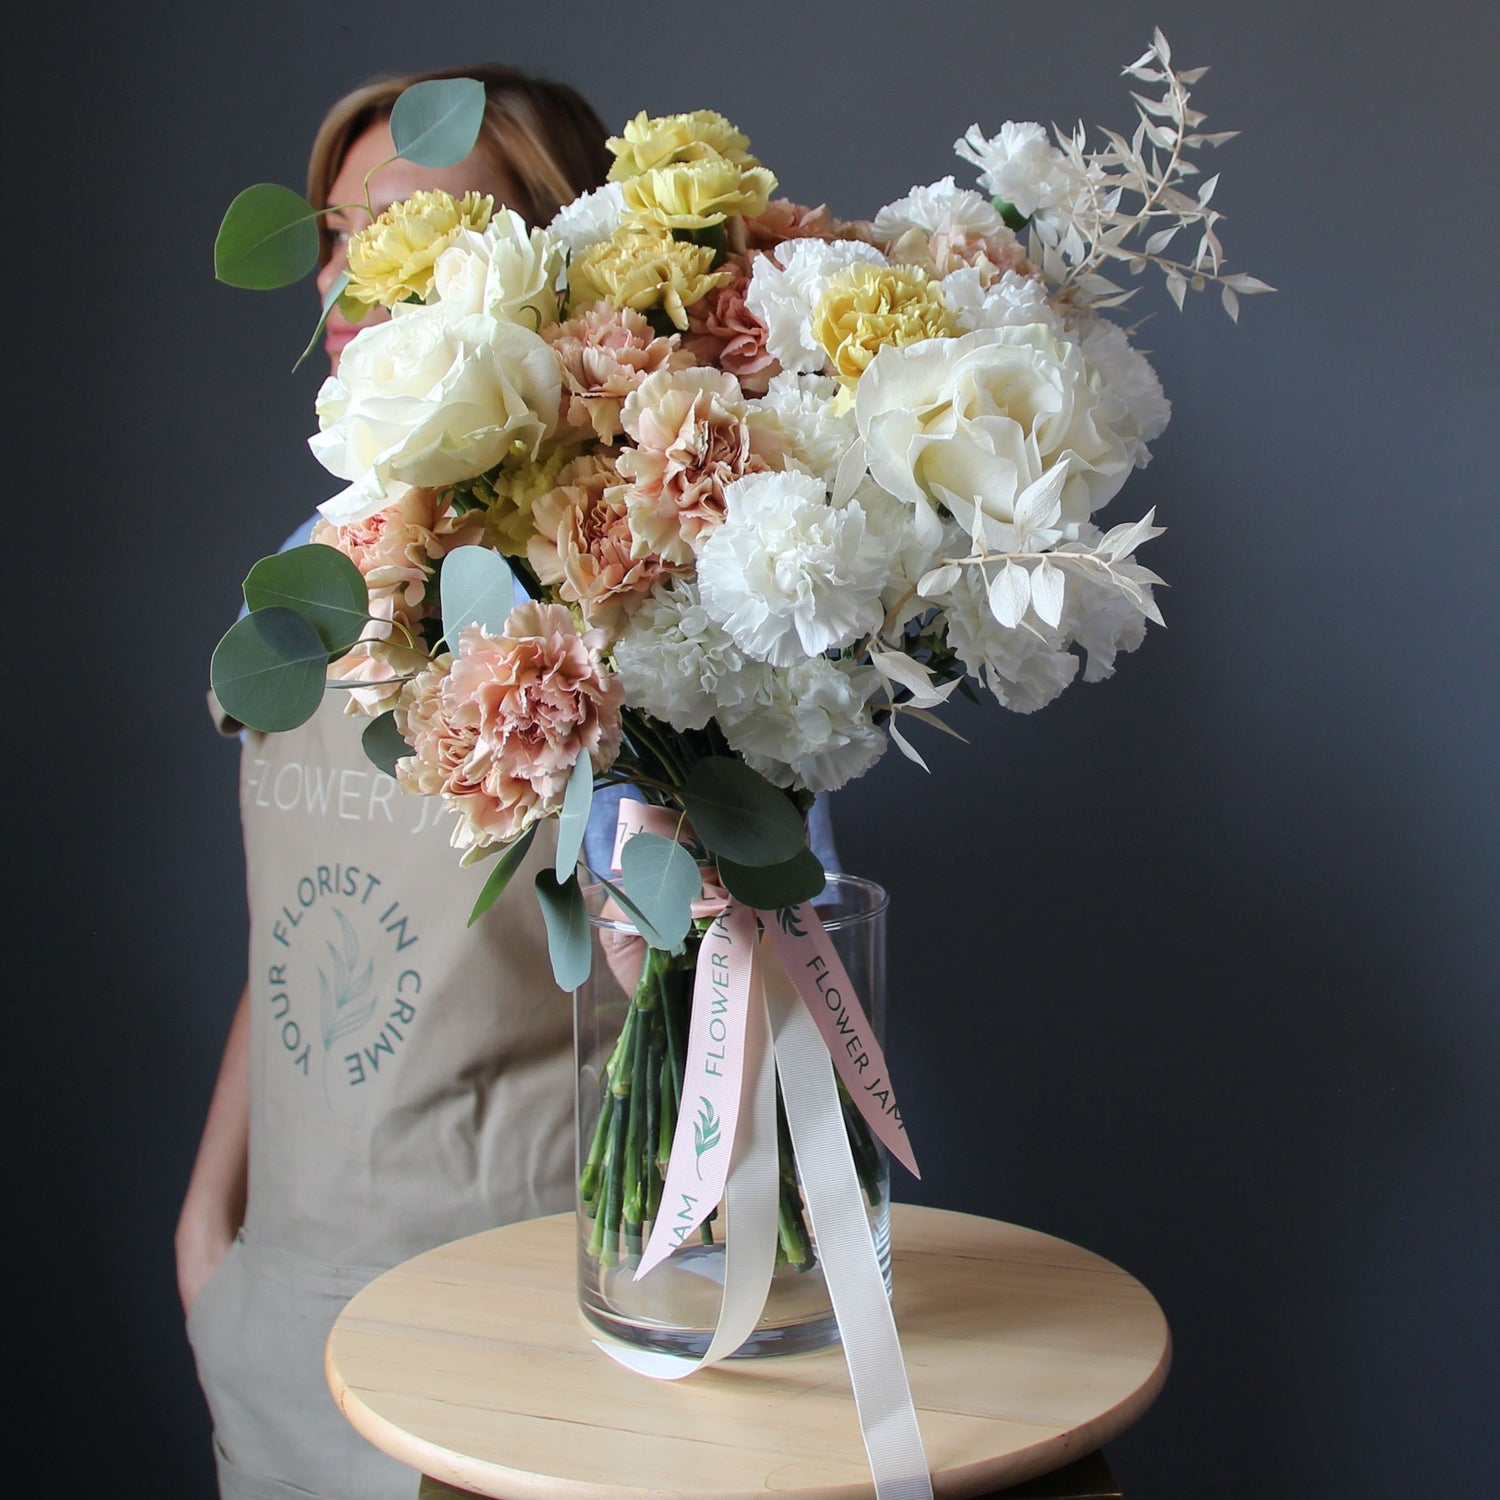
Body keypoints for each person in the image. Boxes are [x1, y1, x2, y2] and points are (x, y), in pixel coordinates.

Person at [176, 65, 615, 1500]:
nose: (361, 277)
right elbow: (316, 896)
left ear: (551, 259)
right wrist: (209, 1229)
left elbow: (737, 989)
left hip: (523, 1341)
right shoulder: (305, 570)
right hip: (287, 1328)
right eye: (341, 232)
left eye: (423, 233)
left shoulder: (617, 595)